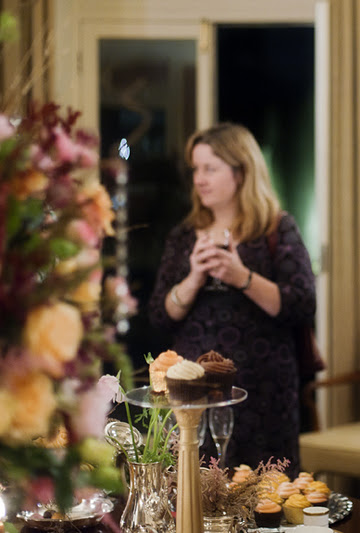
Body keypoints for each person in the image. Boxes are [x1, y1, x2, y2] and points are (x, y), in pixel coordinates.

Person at [148, 123, 316, 473]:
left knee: (264, 489)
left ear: (241, 172)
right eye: (196, 169)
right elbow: (160, 317)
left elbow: (302, 304)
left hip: (264, 392)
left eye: (210, 169)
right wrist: (194, 279)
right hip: (193, 394)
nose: (199, 179)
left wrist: (241, 277)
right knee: (194, 487)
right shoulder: (183, 236)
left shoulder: (276, 228)